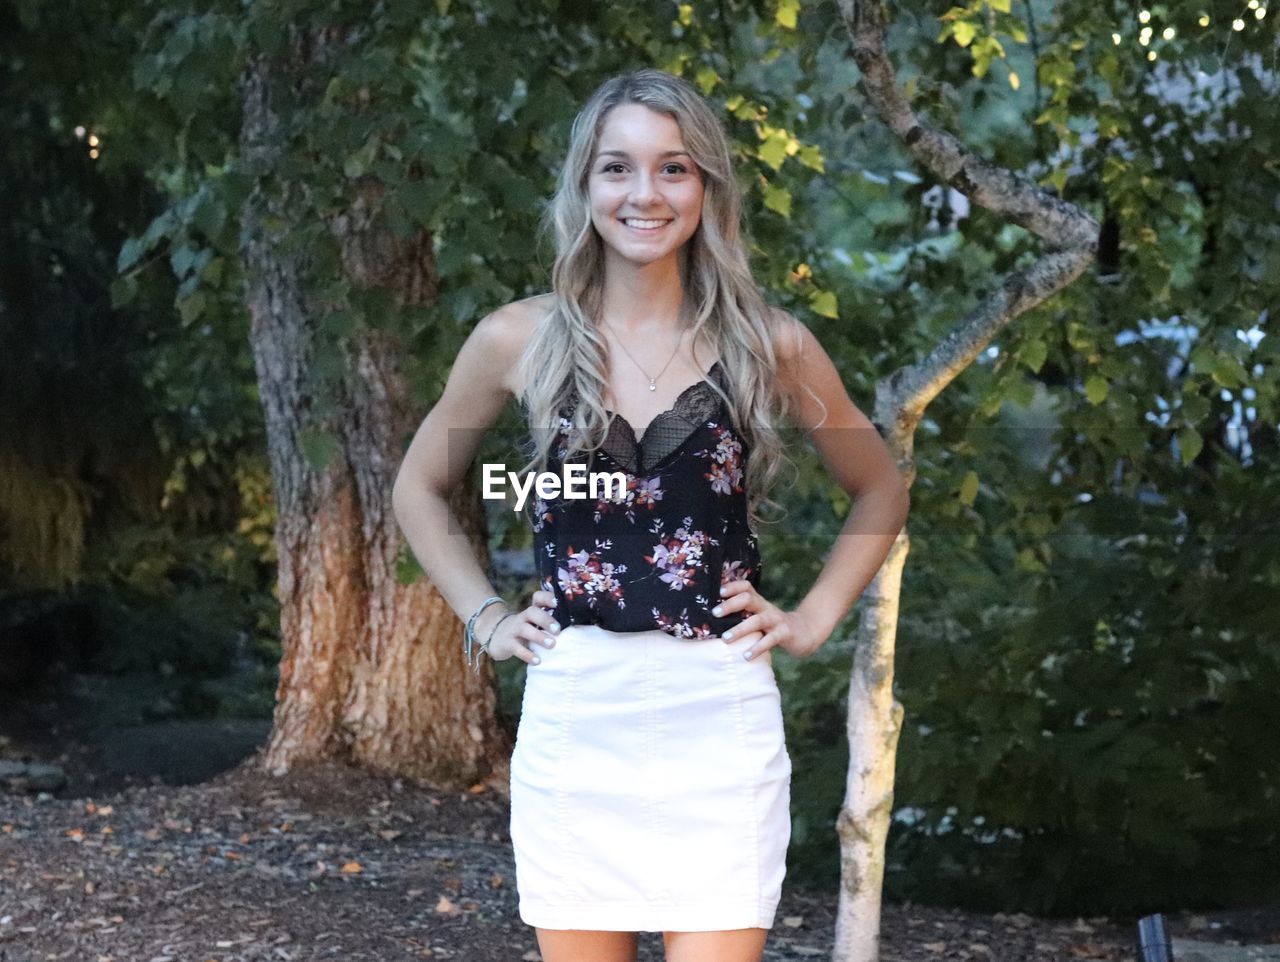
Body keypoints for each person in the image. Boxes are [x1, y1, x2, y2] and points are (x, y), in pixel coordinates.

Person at [392, 68, 910, 962]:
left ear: (707, 187)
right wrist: (486, 618)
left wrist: (814, 617)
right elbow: (418, 488)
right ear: (585, 186)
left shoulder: (767, 343)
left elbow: (881, 486)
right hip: (575, 706)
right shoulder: (517, 338)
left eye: (673, 169)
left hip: (719, 709)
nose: (644, 193)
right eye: (616, 168)